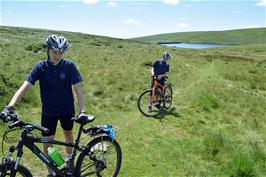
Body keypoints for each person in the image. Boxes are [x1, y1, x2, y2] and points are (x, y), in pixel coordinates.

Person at [1, 34, 85, 177]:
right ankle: (50, 171)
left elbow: (78, 89)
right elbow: (24, 87)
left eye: (60, 53)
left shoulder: (69, 66)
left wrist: (82, 111)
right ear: (48, 51)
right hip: (48, 112)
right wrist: (10, 107)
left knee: (68, 134)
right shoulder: (41, 67)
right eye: (54, 52)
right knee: (47, 141)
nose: (57, 56)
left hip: (66, 109)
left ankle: (69, 161)